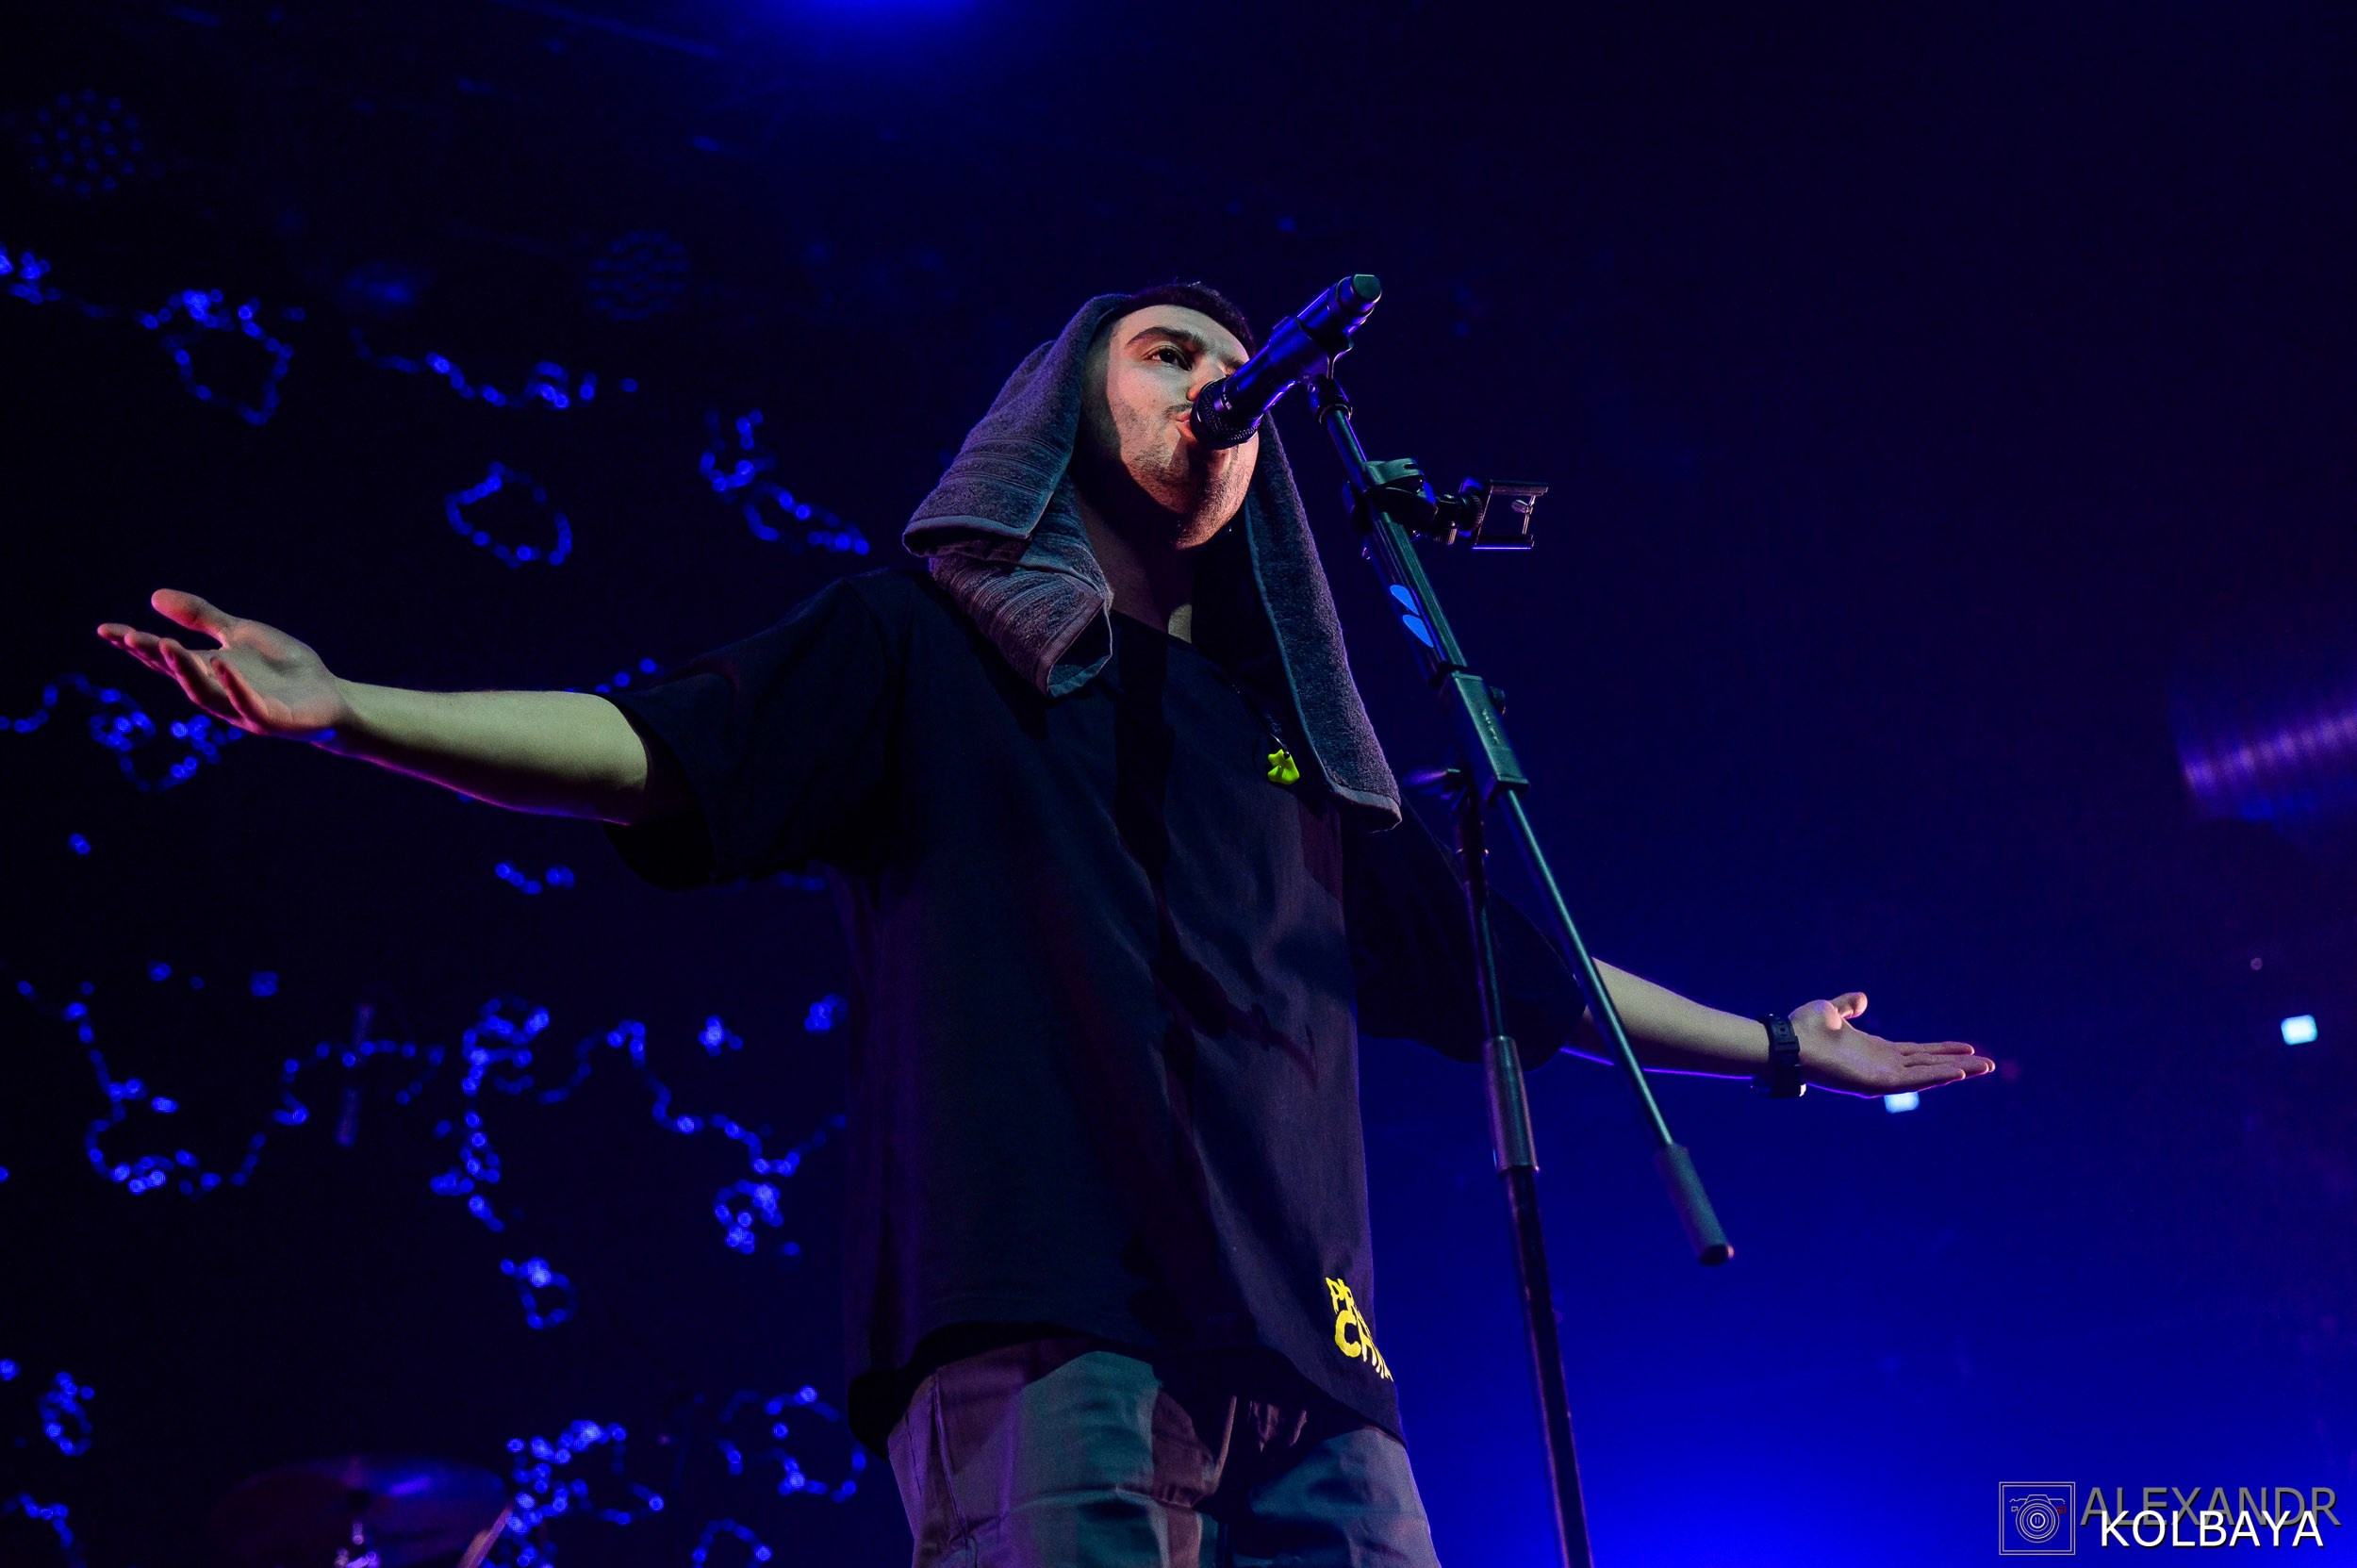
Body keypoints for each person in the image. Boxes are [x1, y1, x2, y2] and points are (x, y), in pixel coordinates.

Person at [99, 282, 1994, 1568]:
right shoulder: (916, 649)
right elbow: (647, 746)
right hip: (1046, 1334)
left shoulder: (1290, 752)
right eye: (1167, 352)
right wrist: (357, 707)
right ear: (1057, 405)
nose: (1208, 390)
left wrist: (1772, 1048)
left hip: (1319, 1369)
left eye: (1232, 373)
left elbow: (1528, 980)